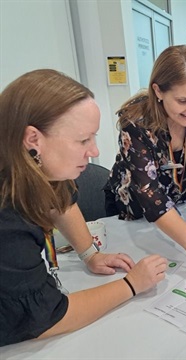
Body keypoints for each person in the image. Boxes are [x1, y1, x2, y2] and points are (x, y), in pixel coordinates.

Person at [0, 69, 167, 347]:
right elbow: (49, 317)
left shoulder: (33, 164)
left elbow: (60, 200)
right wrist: (131, 285)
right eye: (82, 140)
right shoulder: (7, 218)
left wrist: (90, 254)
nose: (94, 151)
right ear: (33, 139)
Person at [105, 45, 186, 278]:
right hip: (134, 215)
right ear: (158, 91)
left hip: (182, 208)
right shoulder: (135, 122)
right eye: (183, 101)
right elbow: (150, 196)